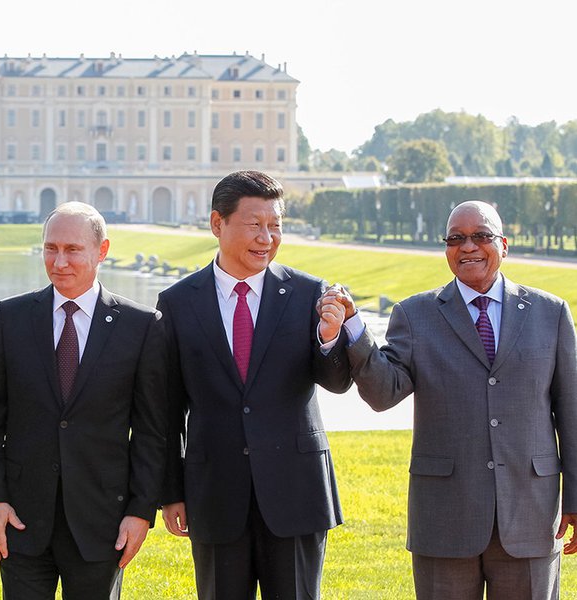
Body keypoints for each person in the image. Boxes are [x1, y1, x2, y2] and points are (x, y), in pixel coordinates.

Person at [322, 200, 577, 599]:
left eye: (481, 236)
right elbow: (384, 392)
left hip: (530, 513)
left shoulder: (551, 313)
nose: (468, 246)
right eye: (456, 238)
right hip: (445, 518)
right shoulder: (415, 314)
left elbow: (572, 412)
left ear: (504, 245)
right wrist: (353, 328)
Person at [157, 170, 353, 599]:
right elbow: (167, 410)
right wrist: (171, 491)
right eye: (254, 224)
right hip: (215, 495)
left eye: (275, 225)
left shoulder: (308, 294)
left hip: (296, 492)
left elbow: (337, 382)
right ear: (217, 224)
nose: (267, 237)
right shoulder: (177, 303)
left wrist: (330, 338)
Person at [0, 201, 167, 599]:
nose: (59, 261)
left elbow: (152, 431)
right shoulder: (10, 317)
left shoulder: (141, 326)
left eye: (73, 250)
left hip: (103, 522)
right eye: (50, 248)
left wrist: (140, 511)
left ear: (102, 251)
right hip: (20, 520)